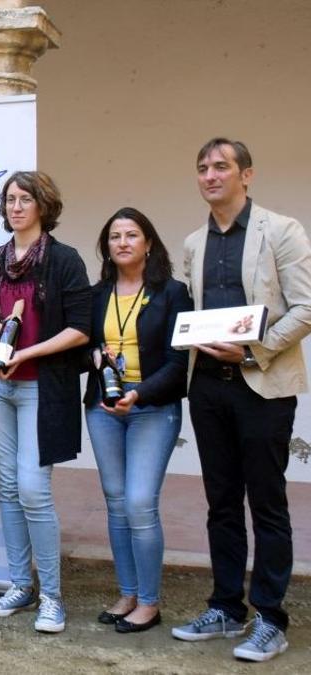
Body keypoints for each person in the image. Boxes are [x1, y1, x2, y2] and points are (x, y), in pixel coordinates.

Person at [171, 138, 311, 662]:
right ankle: (226, 608)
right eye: (202, 167)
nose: (210, 175)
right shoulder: (193, 242)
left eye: (221, 167)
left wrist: (254, 351)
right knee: (222, 502)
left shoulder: (282, 230)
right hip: (208, 387)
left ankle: (270, 618)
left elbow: (306, 307)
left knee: (267, 503)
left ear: (246, 175)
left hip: (262, 385)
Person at [0, 171, 90, 633]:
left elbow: (80, 328)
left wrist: (27, 353)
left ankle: (52, 597)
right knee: (8, 487)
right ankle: (20, 586)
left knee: (34, 490)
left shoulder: (64, 260)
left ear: (43, 205)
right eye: (10, 200)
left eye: (25, 199)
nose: (16, 207)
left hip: (43, 386)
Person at [84, 207, 191, 633]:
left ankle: (149, 602)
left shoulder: (173, 293)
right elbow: (83, 346)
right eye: (115, 236)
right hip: (104, 407)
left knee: (139, 502)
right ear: (106, 246)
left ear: (148, 243)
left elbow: (179, 363)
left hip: (152, 407)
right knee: (115, 501)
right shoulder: (97, 294)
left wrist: (139, 393)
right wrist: (93, 355)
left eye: (131, 235)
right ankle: (127, 593)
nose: (122, 242)